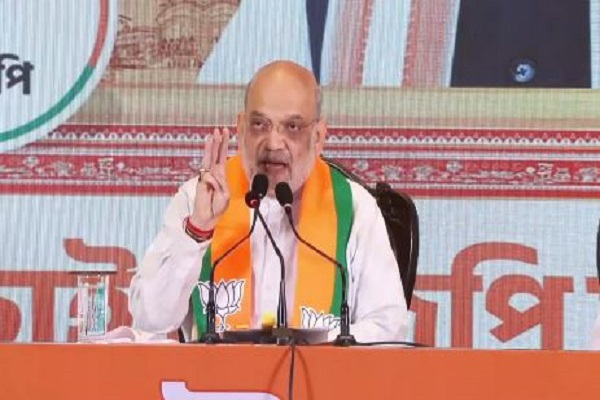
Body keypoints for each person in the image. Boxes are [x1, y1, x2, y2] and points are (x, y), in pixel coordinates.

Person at [129, 60, 408, 343]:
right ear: (240, 128)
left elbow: (388, 327)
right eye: (259, 125)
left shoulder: (354, 207)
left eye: (292, 127)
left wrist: (311, 343)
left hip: (321, 371)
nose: (273, 143)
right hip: (215, 372)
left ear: (318, 136)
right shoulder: (200, 198)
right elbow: (150, 319)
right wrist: (197, 230)